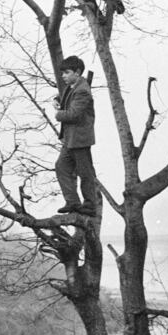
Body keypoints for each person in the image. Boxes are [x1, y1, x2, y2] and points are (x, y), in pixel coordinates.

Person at [54, 56, 98, 216]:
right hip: (70, 139)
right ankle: (72, 202)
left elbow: (74, 114)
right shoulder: (74, 86)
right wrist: (57, 99)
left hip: (80, 139)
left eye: (67, 72)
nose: (63, 76)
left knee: (85, 173)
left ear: (77, 72)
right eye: (62, 73)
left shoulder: (82, 90)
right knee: (61, 167)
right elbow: (68, 98)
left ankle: (90, 205)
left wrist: (59, 114)